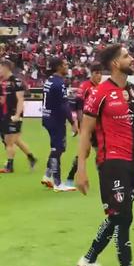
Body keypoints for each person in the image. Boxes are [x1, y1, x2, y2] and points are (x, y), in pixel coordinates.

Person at [75, 45, 134, 266]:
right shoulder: (99, 93)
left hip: (132, 162)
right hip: (111, 162)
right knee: (123, 217)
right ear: (116, 63)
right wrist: (81, 168)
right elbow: (85, 132)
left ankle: (88, 259)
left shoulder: (133, 91)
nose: (132, 58)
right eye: (127, 56)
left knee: (119, 214)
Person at [40, 58, 79, 191]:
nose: (67, 66)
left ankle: (47, 175)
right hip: (56, 120)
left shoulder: (49, 80)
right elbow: (64, 106)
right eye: (65, 65)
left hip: (47, 117)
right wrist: (73, 122)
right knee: (57, 149)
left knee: (56, 148)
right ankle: (57, 183)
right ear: (58, 67)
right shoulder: (59, 83)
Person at [64, 63, 103, 187]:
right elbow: (77, 106)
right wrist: (80, 124)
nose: (99, 76)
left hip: (98, 126)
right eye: (97, 73)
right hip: (86, 125)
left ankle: (103, 175)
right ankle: (70, 177)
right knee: (84, 152)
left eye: (101, 73)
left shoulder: (100, 87)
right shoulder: (85, 86)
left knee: (100, 151)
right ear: (92, 74)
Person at [0, 60, 37, 173]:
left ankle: (9, 166)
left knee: (9, 140)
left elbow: (20, 100)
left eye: (0, 68)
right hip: (3, 114)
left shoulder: (17, 82)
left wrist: (17, 115)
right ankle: (31, 157)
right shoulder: (1, 82)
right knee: (14, 140)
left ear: (6, 68)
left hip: (13, 114)